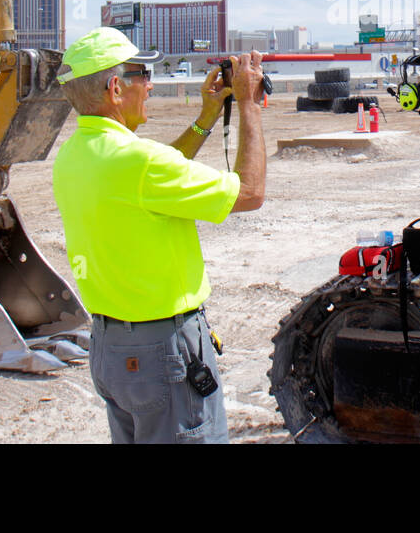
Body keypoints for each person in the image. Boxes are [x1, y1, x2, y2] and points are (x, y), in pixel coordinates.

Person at [51, 27, 266, 443]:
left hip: (112, 349)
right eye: (142, 75)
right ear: (116, 87)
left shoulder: (76, 155)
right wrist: (249, 106)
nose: (150, 85)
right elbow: (251, 194)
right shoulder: (138, 161)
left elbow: (156, 179)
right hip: (162, 353)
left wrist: (206, 117)